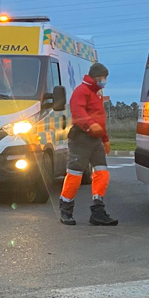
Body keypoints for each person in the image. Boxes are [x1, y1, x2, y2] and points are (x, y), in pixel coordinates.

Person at [58, 63, 118, 226]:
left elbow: (100, 120)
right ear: (95, 77)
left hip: (95, 140)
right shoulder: (81, 91)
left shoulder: (97, 94)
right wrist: (91, 125)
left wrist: (105, 139)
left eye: (106, 77)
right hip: (81, 138)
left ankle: (98, 211)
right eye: (103, 77)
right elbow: (78, 112)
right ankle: (66, 210)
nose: (104, 80)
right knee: (75, 175)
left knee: (102, 173)